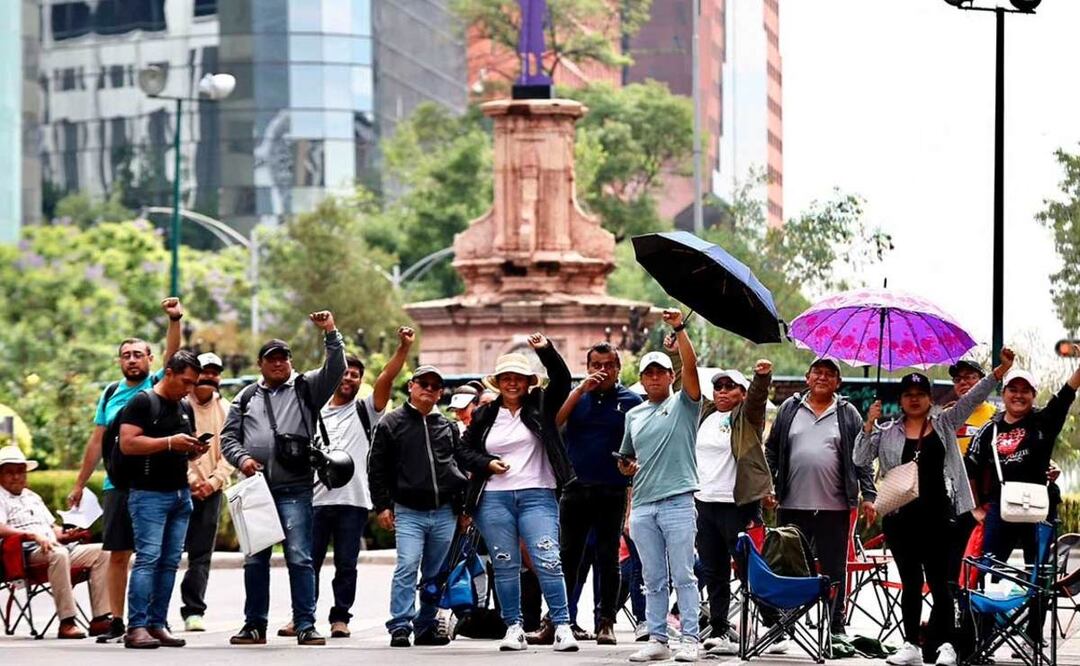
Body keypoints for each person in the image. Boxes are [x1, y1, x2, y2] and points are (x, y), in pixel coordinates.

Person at [857, 349, 1014, 666]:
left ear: (930, 398)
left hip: (940, 518)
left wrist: (999, 372)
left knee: (942, 584)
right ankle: (910, 644)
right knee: (911, 584)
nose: (914, 400)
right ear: (900, 399)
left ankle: (947, 646)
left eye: (920, 394)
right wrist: (868, 425)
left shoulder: (944, 422)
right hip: (901, 522)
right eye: (908, 395)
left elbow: (973, 398)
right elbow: (859, 460)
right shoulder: (887, 432)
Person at [220, 311, 345, 647]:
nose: (278, 364)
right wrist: (243, 459)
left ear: (290, 362)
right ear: (260, 364)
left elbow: (337, 369)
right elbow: (227, 439)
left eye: (283, 359)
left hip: (295, 487)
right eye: (271, 359)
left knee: (301, 557)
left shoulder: (307, 388)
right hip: (257, 489)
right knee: (255, 558)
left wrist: (330, 333)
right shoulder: (245, 397)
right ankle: (254, 625)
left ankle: (305, 624)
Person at [67, 297, 183, 642]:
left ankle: (148, 621)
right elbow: (96, 441)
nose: (132, 360)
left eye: (138, 354)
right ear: (120, 361)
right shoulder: (111, 392)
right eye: (126, 355)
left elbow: (173, 354)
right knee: (118, 553)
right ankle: (117, 621)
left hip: (152, 484)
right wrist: (79, 483)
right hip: (117, 484)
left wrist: (174, 320)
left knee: (154, 555)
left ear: (150, 359)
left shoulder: (156, 385)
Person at [456, 333, 578, 653]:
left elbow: (563, 380)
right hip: (494, 498)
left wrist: (546, 350)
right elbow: (463, 451)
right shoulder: (484, 415)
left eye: (518, 378)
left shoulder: (541, 404)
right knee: (505, 562)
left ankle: (562, 625)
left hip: (538, 493)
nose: (512, 384)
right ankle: (514, 627)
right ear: (498, 382)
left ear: (528, 382)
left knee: (547, 557)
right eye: (506, 378)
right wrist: (487, 463)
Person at [305, 327, 412, 639]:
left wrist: (403, 349)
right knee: (306, 564)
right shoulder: (313, 411)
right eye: (345, 373)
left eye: (355, 375)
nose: (349, 378)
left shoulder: (366, 410)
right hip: (314, 501)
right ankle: (304, 616)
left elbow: (386, 380)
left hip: (352, 502)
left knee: (346, 565)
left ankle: (340, 618)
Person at [965, 362, 1080, 650]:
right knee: (989, 570)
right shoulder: (988, 430)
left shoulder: (1044, 421)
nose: (1018, 395)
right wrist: (975, 508)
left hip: (1040, 510)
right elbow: (969, 470)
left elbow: (1066, 393)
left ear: (1033, 394)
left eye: (1025, 391)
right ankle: (984, 637)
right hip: (999, 510)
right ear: (1004, 394)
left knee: (1039, 574)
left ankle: (1032, 636)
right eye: (1013, 390)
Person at [764, 357, 876, 636]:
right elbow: (772, 450)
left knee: (834, 570)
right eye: (817, 372)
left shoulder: (848, 412)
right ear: (807, 377)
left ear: (838, 382)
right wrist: (767, 485)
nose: (822, 377)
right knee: (786, 566)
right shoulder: (790, 408)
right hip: (791, 505)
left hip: (834, 508)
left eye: (829, 374)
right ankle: (783, 625)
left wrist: (868, 495)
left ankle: (835, 627)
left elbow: (862, 458)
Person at [617, 309, 703, 663]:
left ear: (671, 376)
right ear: (641, 379)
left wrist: (679, 329)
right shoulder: (633, 415)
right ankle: (657, 637)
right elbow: (625, 460)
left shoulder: (684, 404)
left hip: (678, 502)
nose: (654, 378)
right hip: (645, 505)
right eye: (648, 373)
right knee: (651, 577)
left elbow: (692, 368)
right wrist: (626, 467)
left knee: (683, 575)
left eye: (660, 372)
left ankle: (691, 639)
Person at [543, 341, 642, 645]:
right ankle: (558, 621)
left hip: (612, 489)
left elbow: (641, 443)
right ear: (587, 367)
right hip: (575, 487)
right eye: (596, 365)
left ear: (618, 368)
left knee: (607, 559)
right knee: (567, 558)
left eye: (608, 365)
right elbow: (554, 422)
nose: (602, 371)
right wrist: (578, 391)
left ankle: (606, 622)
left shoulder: (631, 401)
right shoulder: (577, 397)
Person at [368, 364, 469, 648]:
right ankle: (400, 625)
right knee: (407, 565)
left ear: (440, 393)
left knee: (436, 573)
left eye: (434, 386)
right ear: (411, 386)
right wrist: (382, 506)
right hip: (408, 511)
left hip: (445, 512)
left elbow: (458, 468)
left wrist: (464, 509)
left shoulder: (448, 426)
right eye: (422, 383)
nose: (428, 389)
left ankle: (425, 625)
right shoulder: (391, 423)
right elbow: (377, 468)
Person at [118, 350, 207, 649]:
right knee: (148, 559)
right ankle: (137, 626)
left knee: (169, 563)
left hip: (180, 494)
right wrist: (170, 443)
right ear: (168, 372)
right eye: (185, 381)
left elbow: (184, 442)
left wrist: (193, 449)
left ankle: (157, 623)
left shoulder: (185, 406)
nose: (189, 389)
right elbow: (129, 444)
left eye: (193, 383)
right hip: (148, 495)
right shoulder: (143, 401)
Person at [696, 362, 774, 656]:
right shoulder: (704, 414)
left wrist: (761, 377)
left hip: (738, 505)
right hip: (705, 502)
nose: (723, 391)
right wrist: (676, 349)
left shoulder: (747, 417)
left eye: (730, 387)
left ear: (741, 393)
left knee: (747, 570)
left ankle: (774, 624)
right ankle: (719, 629)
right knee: (713, 569)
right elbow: (684, 383)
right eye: (718, 386)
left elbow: (757, 399)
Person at [0, 446, 111, 639]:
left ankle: (101, 619)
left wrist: (67, 532)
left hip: (54, 545)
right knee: (58, 554)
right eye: (10, 472)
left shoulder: (32, 497)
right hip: (26, 553)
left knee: (103, 551)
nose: (16, 477)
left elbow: (52, 528)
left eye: (20, 471)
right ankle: (67, 622)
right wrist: (32, 535)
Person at [179, 352, 235, 632]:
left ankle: (193, 611)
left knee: (201, 555)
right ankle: (153, 614)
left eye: (215, 372)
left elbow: (231, 452)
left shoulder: (227, 409)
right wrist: (191, 480)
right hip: (178, 489)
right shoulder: (178, 405)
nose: (210, 377)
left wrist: (212, 483)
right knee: (165, 553)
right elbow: (175, 449)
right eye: (205, 371)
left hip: (211, 493)